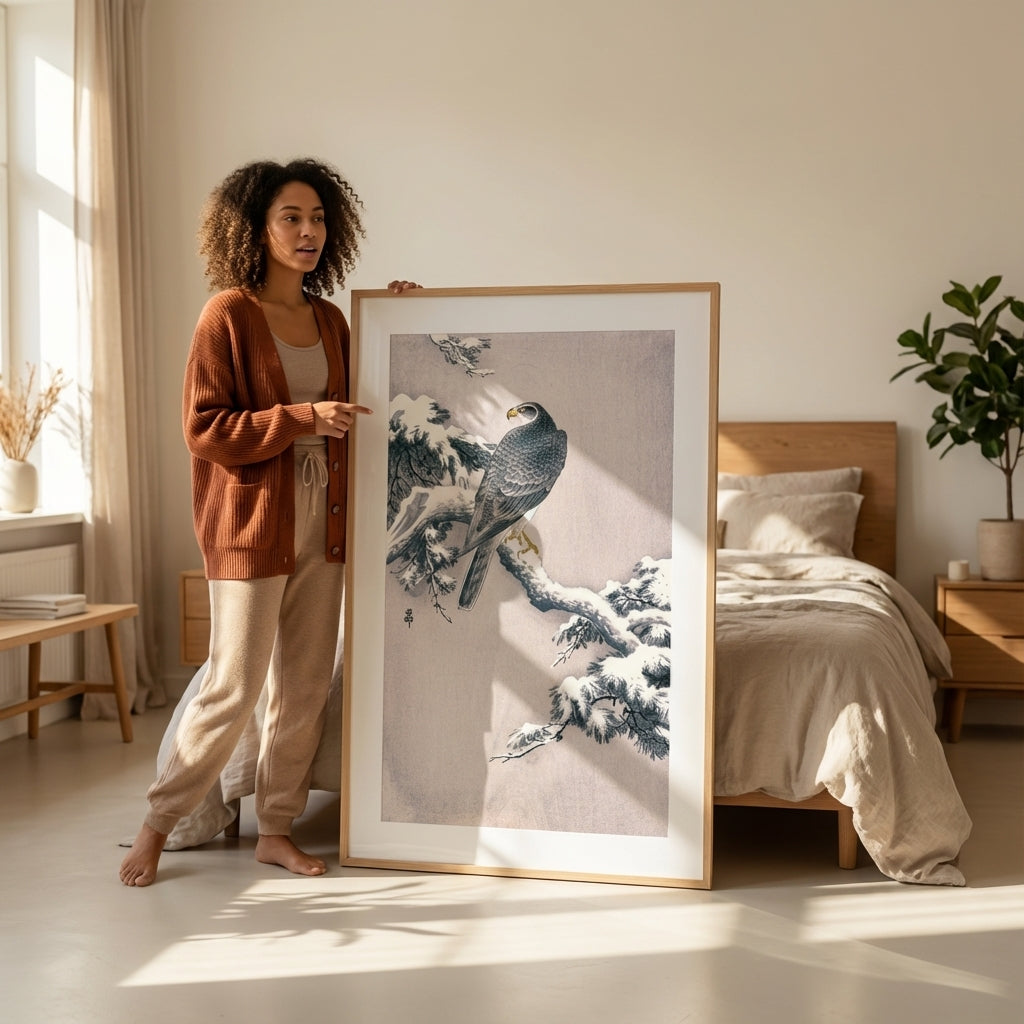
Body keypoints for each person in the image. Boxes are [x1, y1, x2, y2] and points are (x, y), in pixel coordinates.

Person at [119, 156, 416, 886]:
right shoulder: (227, 314)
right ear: (256, 227)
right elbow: (205, 427)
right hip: (253, 520)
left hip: (329, 517)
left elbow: (373, 401)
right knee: (235, 681)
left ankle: (275, 829)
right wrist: (301, 417)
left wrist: (408, 319)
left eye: (317, 218)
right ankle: (156, 827)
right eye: (291, 217)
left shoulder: (332, 319)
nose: (308, 231)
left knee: (306, 684)